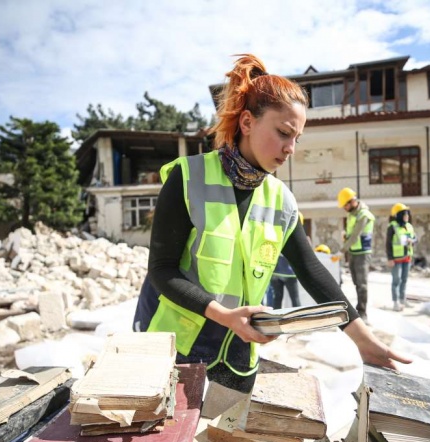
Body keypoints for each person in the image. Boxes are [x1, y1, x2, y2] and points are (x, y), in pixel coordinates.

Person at [133, 54, 411, 392]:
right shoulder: (188, 178)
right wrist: (224, 315)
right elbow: (162, 270)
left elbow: (312, 271)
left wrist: (362, 339)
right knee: (173, 439)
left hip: (238, 348)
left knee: (227, 438)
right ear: (247, 123)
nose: (290, 148)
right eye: (283, 133)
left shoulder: (281, 200)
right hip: (177, 345)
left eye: (297, 138)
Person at [337, 187, 376, 322]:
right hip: (354, 252)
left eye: (345, 205)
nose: (344, 208)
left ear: (351, 202)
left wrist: (342, 251)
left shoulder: (363, 215)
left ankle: (362, 312)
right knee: (355, 282)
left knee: (362, 284)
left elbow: (355, 236)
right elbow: (350, 235)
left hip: (363, 254)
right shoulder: (352, 214)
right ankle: (359, 307)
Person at [386, 203, 417, 311]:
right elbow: (388, 243)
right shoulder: (392, 226)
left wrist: (412, 241)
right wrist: (390, 258)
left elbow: (415, 239)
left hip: (407, 257)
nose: (407, 217)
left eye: (408, 214)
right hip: (396, 259)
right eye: (404, 214)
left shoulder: (409, 226)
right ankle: (395, 302)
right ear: (399, 215)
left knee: (404, 280)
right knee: (396, 280)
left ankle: (402, 300)